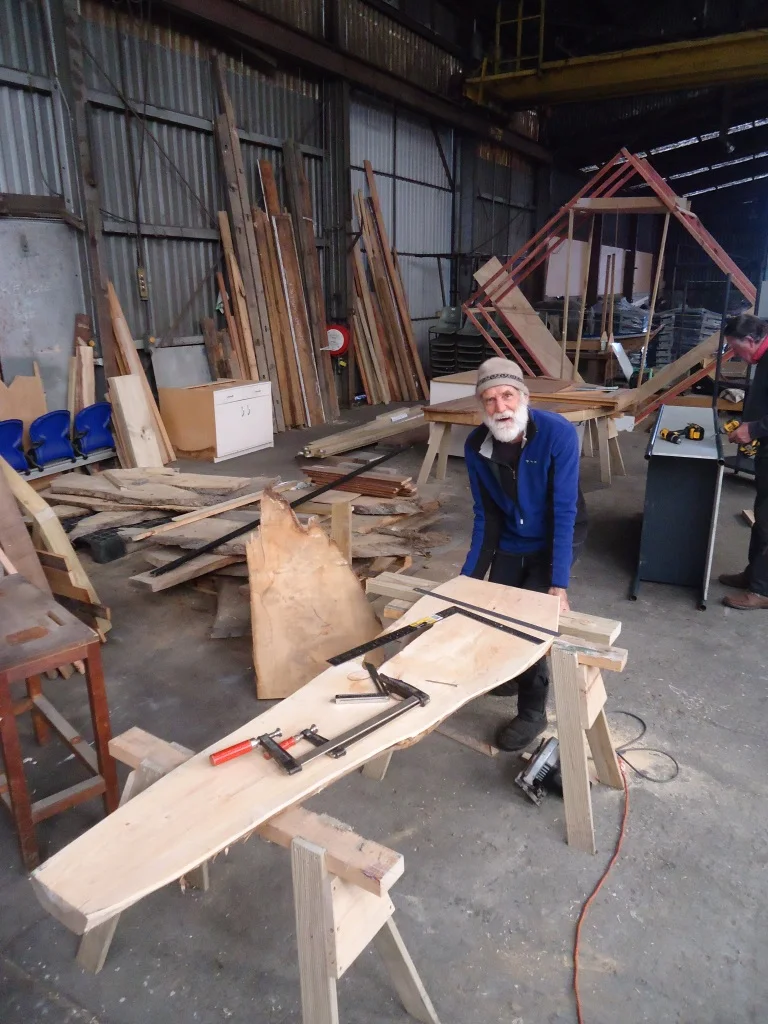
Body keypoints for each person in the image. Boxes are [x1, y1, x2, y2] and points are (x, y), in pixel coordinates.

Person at [461, 357, 587, 751]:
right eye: (490, 400)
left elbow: (565, 510)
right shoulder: (475, 446)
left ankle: (533, 710)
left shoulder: (557, 434)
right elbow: (486, 516)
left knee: (529, 624)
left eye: (507, 396)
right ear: (482, 407)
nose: (500, 408)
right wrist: (466, 580)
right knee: (494, 612)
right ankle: (511, 673)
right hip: (512, 538)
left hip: (556, 536)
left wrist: (558, 582)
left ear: (524, 397)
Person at [719, 313, 768, 610]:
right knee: (761, 518)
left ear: (751, 340)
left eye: (737, 349)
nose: (736, 355)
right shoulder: (762, 358)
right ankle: (754, 576)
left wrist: (754, 429)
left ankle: (762, 591)